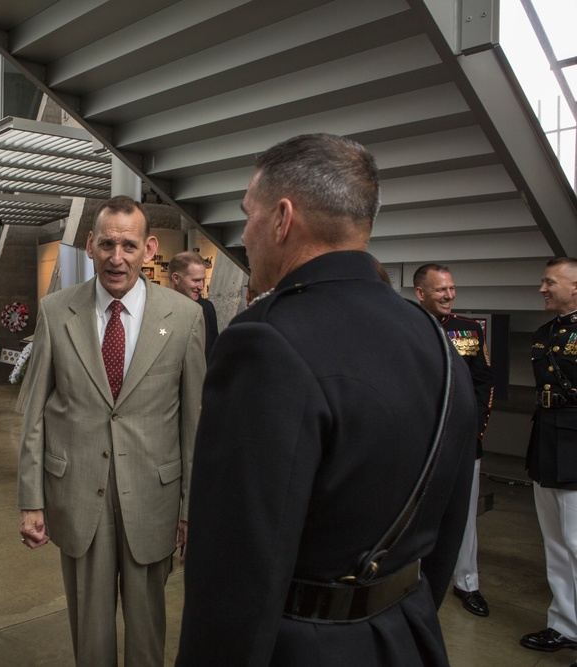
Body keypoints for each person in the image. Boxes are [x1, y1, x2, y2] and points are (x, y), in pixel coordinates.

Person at [176, 134, 476, 666]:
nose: (244, 234)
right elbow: (448, 525)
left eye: (249, 214)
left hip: (304, 648)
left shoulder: (263, 342)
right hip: (407, 635)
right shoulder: (434, 339)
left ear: (282, 218)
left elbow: (236, 566)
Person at [18, 195, 205, 666]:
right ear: (89, 246)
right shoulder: (56, 312)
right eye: (106, 244)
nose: (116, 257)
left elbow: (194, 423)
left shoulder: (184, 318)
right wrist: (31, 499)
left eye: (128, 245)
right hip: (78, 497)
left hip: (154, 499)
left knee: (148, 634)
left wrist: (190, 508)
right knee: (91, 633)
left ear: (149, 247)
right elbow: (35, 412)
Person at [414, 263, 495, 617]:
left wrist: (473, 429)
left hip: (463, 441)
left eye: (451, 289)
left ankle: (467, 583)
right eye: (440, 290)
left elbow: (484, 383)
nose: (449, 295)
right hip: (420, 442)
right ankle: (412, 580)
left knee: (464, 514)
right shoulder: (408, 326)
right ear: (421, 294)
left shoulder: (470, 330)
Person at [520, 257, 577, 654]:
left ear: (575, 287)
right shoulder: (544, 334)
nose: (542, 289)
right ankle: (564, 624)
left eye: (549, 282)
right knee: (555, 542)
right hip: (546, 445)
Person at [168, 251, 219, 360]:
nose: (201, 286)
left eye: (203, 280)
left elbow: (213, 348)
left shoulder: (207, 307)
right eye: (196, 280)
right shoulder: (159, 308)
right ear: (176, 278)